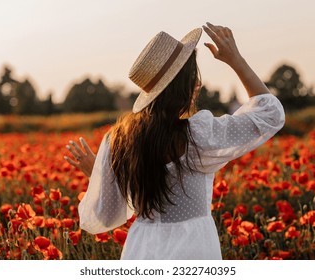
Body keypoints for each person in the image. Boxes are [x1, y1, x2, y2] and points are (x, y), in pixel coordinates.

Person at [64, 22, 285, 259]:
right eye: (193, 77)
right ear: (182, 86)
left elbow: (105, 218)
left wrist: (100, 176)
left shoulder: (117, 140)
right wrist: (236, 60)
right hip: (193, 248)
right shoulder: (197, 136)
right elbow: (270, 114)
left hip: (142, 250)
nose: (198, 84)